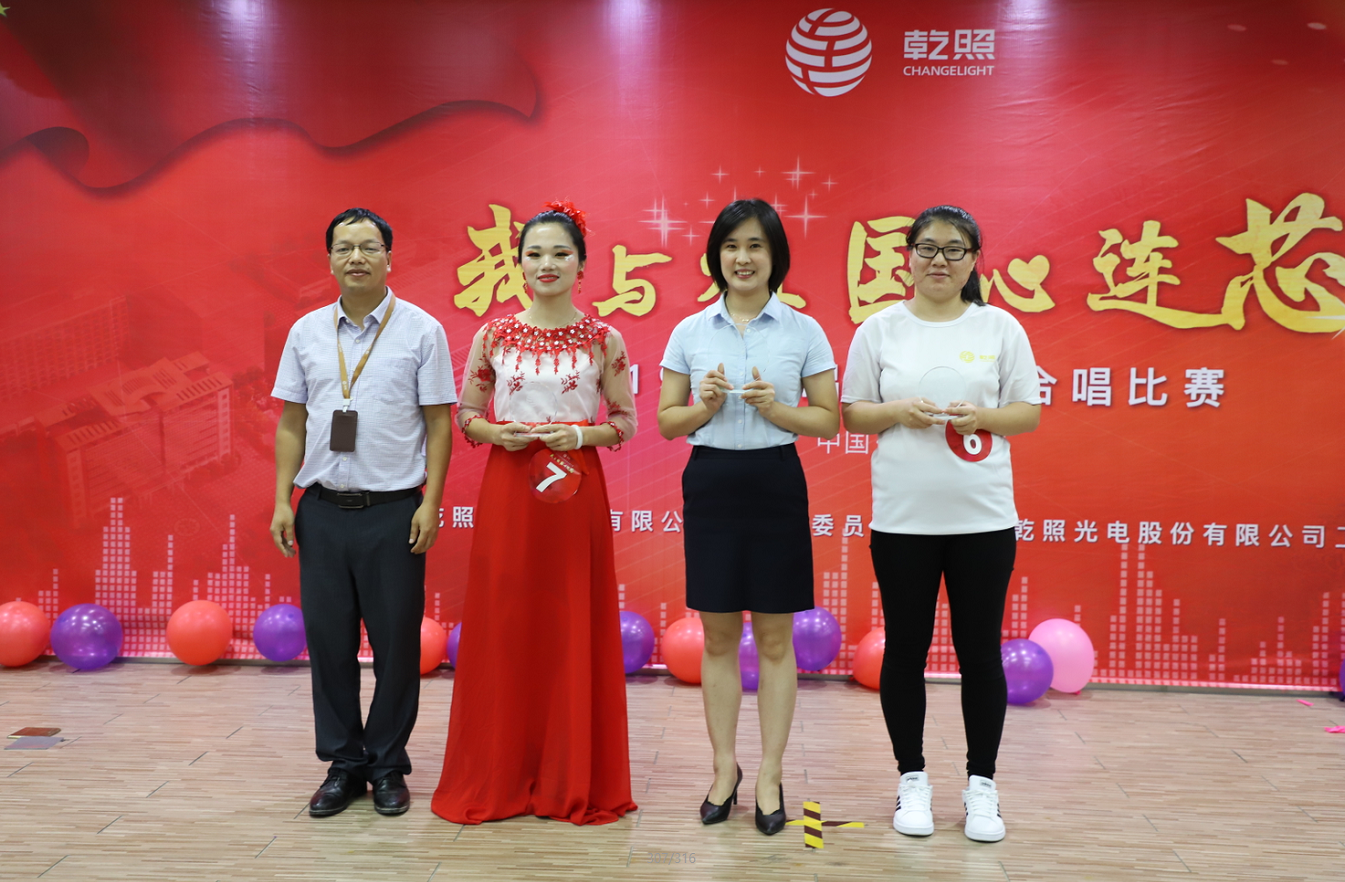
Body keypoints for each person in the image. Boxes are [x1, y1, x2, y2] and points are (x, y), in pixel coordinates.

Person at [432, 201, 638, 826]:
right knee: (507, 623)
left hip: (576, 493)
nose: (547, 264)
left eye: (560, 254)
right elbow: (466, 415)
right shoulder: (493, 335)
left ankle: (567, 777)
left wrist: (578, 436)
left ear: (582, 264)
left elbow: (625, 422)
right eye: (535, 253)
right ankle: (501, 771)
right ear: (518, 263)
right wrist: (497, 433)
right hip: (509, 490)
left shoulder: (605, 339)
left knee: (570, 623)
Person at [840, 205, 1041, 842]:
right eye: (926, 248)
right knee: (905, 650)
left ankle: (983, 786)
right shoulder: (880, 329)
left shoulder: (1000, 326)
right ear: (907, 256)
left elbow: (1027, 413)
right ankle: (912, 780)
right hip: (903, 519)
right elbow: (852, 413)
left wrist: (981, 418)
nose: (939, 260)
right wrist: (898, 410)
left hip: (983, 517)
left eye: (955, 250)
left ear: (974, 260)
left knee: (980, 652)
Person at [657, 199, 839, 835]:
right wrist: (704, 407)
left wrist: (777, 409)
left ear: (775, 256)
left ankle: (769, 774)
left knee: (775, 639)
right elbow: (667, 421)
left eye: (756, 245)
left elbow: (827, 419)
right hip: (711, 483)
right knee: (717, 637)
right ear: (717, 256)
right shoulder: (690, 331)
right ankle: (723, 769)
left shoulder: (803, 331)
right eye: (732, 245)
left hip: (775, 482)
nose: (743, 257)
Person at [270, 207, 455, 817]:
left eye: (369, 247)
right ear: (329, 259)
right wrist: (282, 499)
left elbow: (438, 424)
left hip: (393, 512)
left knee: (397, 646)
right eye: (344, 247)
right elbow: (292, 422)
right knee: (329, 645)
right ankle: (344, 765)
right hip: (321, 510)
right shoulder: (305, 332)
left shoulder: (422, 330)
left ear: (388, 258)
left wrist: (431, 502)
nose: (356, 258)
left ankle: (387, 763)